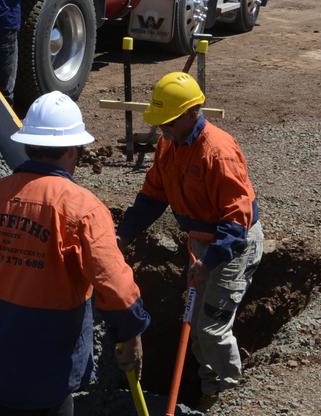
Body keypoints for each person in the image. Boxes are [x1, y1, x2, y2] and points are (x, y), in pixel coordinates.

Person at [0, 91, 150, 415]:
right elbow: (115, 286)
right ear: (73, 150)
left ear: (28, 144)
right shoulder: (81, 208)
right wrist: (132, 331)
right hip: (48, 363)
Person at [115, 72, 264, 411]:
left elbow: (235, 221)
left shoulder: (218, 152)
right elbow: (152, 196)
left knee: (211, 328)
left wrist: (207, 262)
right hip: (200, 244)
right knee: (196, 326)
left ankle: (227, 396)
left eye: (167, 121)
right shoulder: (170, 144)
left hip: (230, 247)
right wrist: (124, 234)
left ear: (190, 113)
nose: (161, 128)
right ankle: (210, 386)